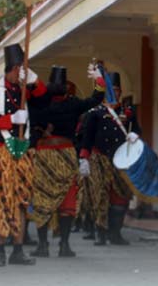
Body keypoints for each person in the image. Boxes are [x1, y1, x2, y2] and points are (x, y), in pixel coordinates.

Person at [0, 43, 49, 267]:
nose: (23, 73)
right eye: (22, 69)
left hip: (24, 152)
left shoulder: (25, 90)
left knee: (21, 199)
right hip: (1, 150)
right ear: (14, 67)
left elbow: (46, 101)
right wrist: (8, 121)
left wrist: (34, 81)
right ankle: (0, 250)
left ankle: (18, 249)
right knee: (1, 198)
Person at [29, 64, 105, 258]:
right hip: (67, 154)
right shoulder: (73, 104)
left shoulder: (39, 104)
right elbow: (96, 98)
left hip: (44, 154)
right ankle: (64, 245)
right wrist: (98, 80)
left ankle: (43, 245)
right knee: (67, 198)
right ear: (66, 88)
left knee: (43, 198)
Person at [77, 71, 140, 246]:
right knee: (100, 195)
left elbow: (137, 130)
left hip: (121, 158)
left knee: (121, 195)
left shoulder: (128, 112)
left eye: (117, 89)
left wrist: (135, 134)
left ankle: (115, 233)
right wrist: (84, 158)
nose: (115, 92)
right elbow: (86, 137)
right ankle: (101, 232)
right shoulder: (95, 113)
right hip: (99, 157)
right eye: (112, 89)